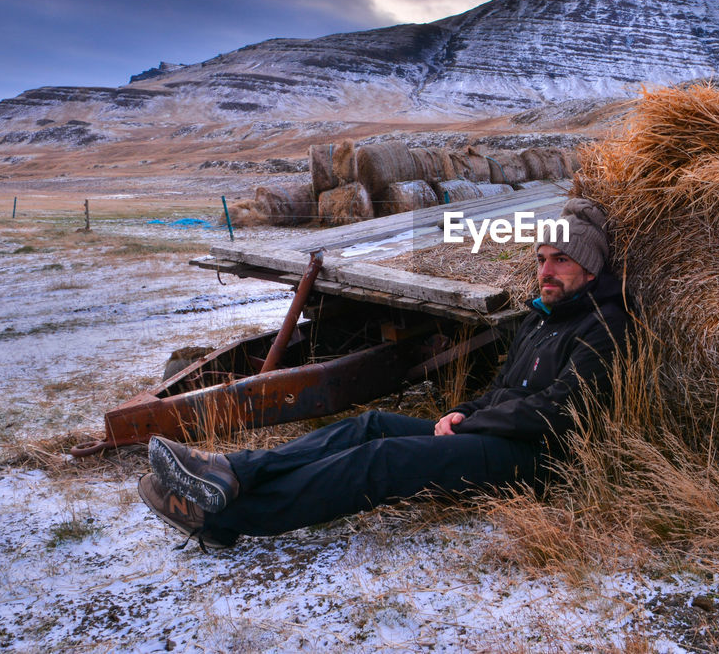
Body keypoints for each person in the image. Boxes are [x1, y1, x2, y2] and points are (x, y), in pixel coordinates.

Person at [138, 198, 628, 550]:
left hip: (536, 461)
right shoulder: (539, 317)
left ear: (589, 269)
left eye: (561, 260)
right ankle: (234, 471)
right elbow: (502, 390)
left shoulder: (604, 326)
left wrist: (471, 424)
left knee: (383, 459)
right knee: (370, 423)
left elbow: (561, 411)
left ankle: (224, 517)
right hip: (492, 435)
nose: (546, 270)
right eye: (542, 258)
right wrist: (463, 410)